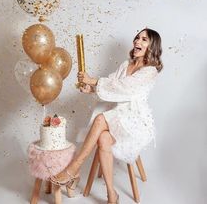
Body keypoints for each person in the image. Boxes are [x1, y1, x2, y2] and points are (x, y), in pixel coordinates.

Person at [49, 28, 163, 204]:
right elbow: (111, 85)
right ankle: (112, 194)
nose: (137, 42)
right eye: (137, 38)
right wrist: (90, 89)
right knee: (103, 138)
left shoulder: (150, 71)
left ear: (152, 46)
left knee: (101, 118)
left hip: (135, 121)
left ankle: (74, 169)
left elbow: (124, 87)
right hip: (118, 116)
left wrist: (93, 80)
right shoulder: (126, 65)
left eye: (144, 39)